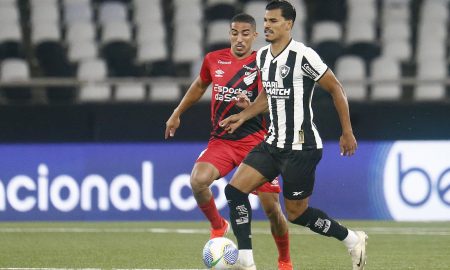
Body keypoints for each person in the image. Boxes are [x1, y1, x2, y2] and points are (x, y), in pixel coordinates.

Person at [219, 1, 368, 270]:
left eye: (273, 21)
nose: (266, 26)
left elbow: (336, 89)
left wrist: (346, 131)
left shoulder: (303, 56)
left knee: (297, 214)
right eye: (265, 21)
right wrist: (244, 114)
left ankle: (351, 238)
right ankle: (246, 259)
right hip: (273, 142)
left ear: (289, 24)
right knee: (234, 191)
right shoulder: (263, 56)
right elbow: (268, 95)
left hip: (301, 146)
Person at [165, 13, 293, 270]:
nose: (239, 38)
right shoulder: (214, 59)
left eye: (246, 33)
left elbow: (277, 101)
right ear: (229, 34)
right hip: (222, 142)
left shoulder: (264, 62)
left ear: (255, 36)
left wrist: (251, 109)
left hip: (256, 143)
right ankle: (218, 226)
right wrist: (177, 113)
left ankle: (285, 261)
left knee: (271, 209)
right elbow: (200, 86)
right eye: (235, 33)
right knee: (198, 181)